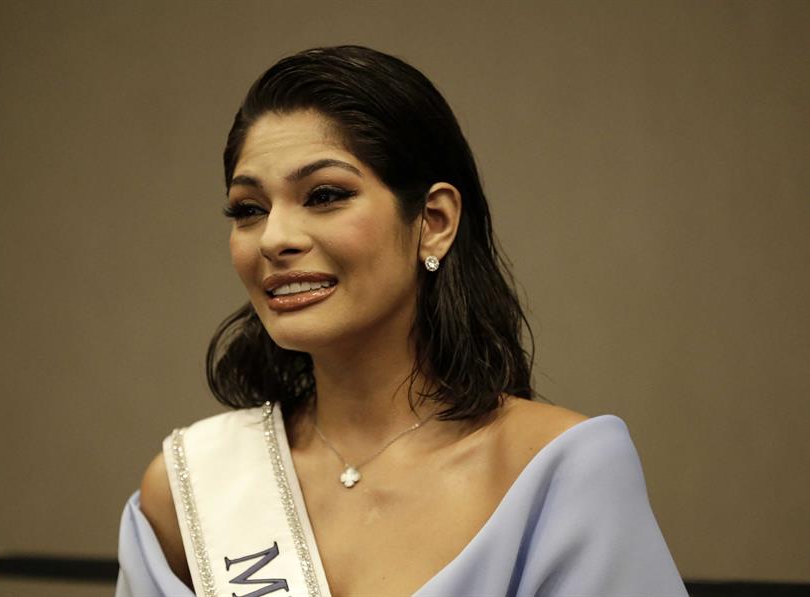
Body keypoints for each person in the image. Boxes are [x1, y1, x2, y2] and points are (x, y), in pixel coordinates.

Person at [115, 45, 686, 597]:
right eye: (248, 209)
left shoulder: (558, 471)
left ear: (433, 221)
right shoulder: (189, 488)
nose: (274, 238)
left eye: (325, 195)